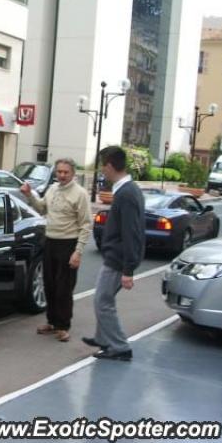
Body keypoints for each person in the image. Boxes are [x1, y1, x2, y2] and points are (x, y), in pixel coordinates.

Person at [82, 146, 145, 361]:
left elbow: (131, 232)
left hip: (118, 260)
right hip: (116, 257)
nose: (102, 171)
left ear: (109, 165)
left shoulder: (126, 193)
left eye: (103, 166)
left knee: (102, 301)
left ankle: (120, 347)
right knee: (103, 298)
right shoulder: (128, 189)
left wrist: (128, 269)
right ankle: (102, 338)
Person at [20, 158, 91, 342]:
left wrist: (78, 251)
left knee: (64, 288)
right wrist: (29, 195)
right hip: (50, 242)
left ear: (73, 173)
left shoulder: (80, 194)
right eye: (59, 172)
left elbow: (85, 225)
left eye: (66, 172)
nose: (62, 175)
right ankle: (51, 322)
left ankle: (63, 325)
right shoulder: (52, 189)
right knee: (49, 284)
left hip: (68, 244)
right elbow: (42, 208)